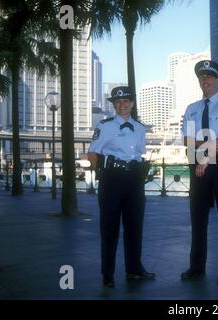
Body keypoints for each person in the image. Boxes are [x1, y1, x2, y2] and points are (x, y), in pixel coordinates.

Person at [180, 60, 218, 285]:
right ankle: (196, 267)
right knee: (197, 218)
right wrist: (205, 148)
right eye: (202, 77)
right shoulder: (192, 108)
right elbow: (187, 140)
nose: (205, 80)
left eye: (210, 76)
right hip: (197, 165)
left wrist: (205, 153)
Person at [87, 86, 155, 288]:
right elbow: (93, 153)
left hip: (135, 179)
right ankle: (107, 274)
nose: (122, 105)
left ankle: (134, 269)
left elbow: (139, 154)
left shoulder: (141, 128)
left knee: (135, 226)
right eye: (117, 102)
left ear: (132, 103)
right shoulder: (105, 125)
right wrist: (103, 175)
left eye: (126, 101)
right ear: (114, 105)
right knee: (110, 228)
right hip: (112, 179)